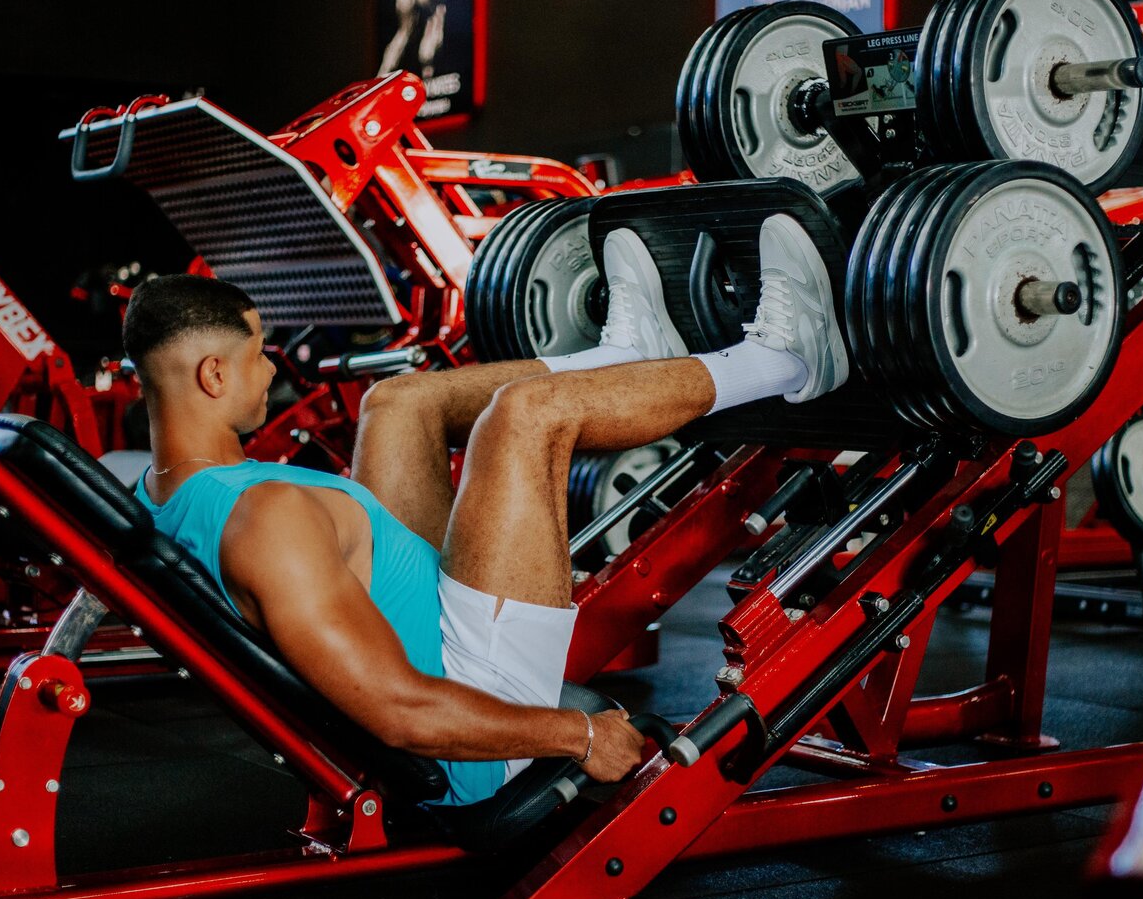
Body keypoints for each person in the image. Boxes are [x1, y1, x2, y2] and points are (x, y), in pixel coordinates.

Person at [124, 214, 849, 805]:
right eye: (259, 354)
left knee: (400, 400)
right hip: (471, 706)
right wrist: (580, 736)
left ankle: (627, 354)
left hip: (426, 617)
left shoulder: (152, 492)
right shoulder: (263, 517)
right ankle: (786, 360)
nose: (273, 368)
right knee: (524, 416)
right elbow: (402, 711)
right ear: (212, 374)